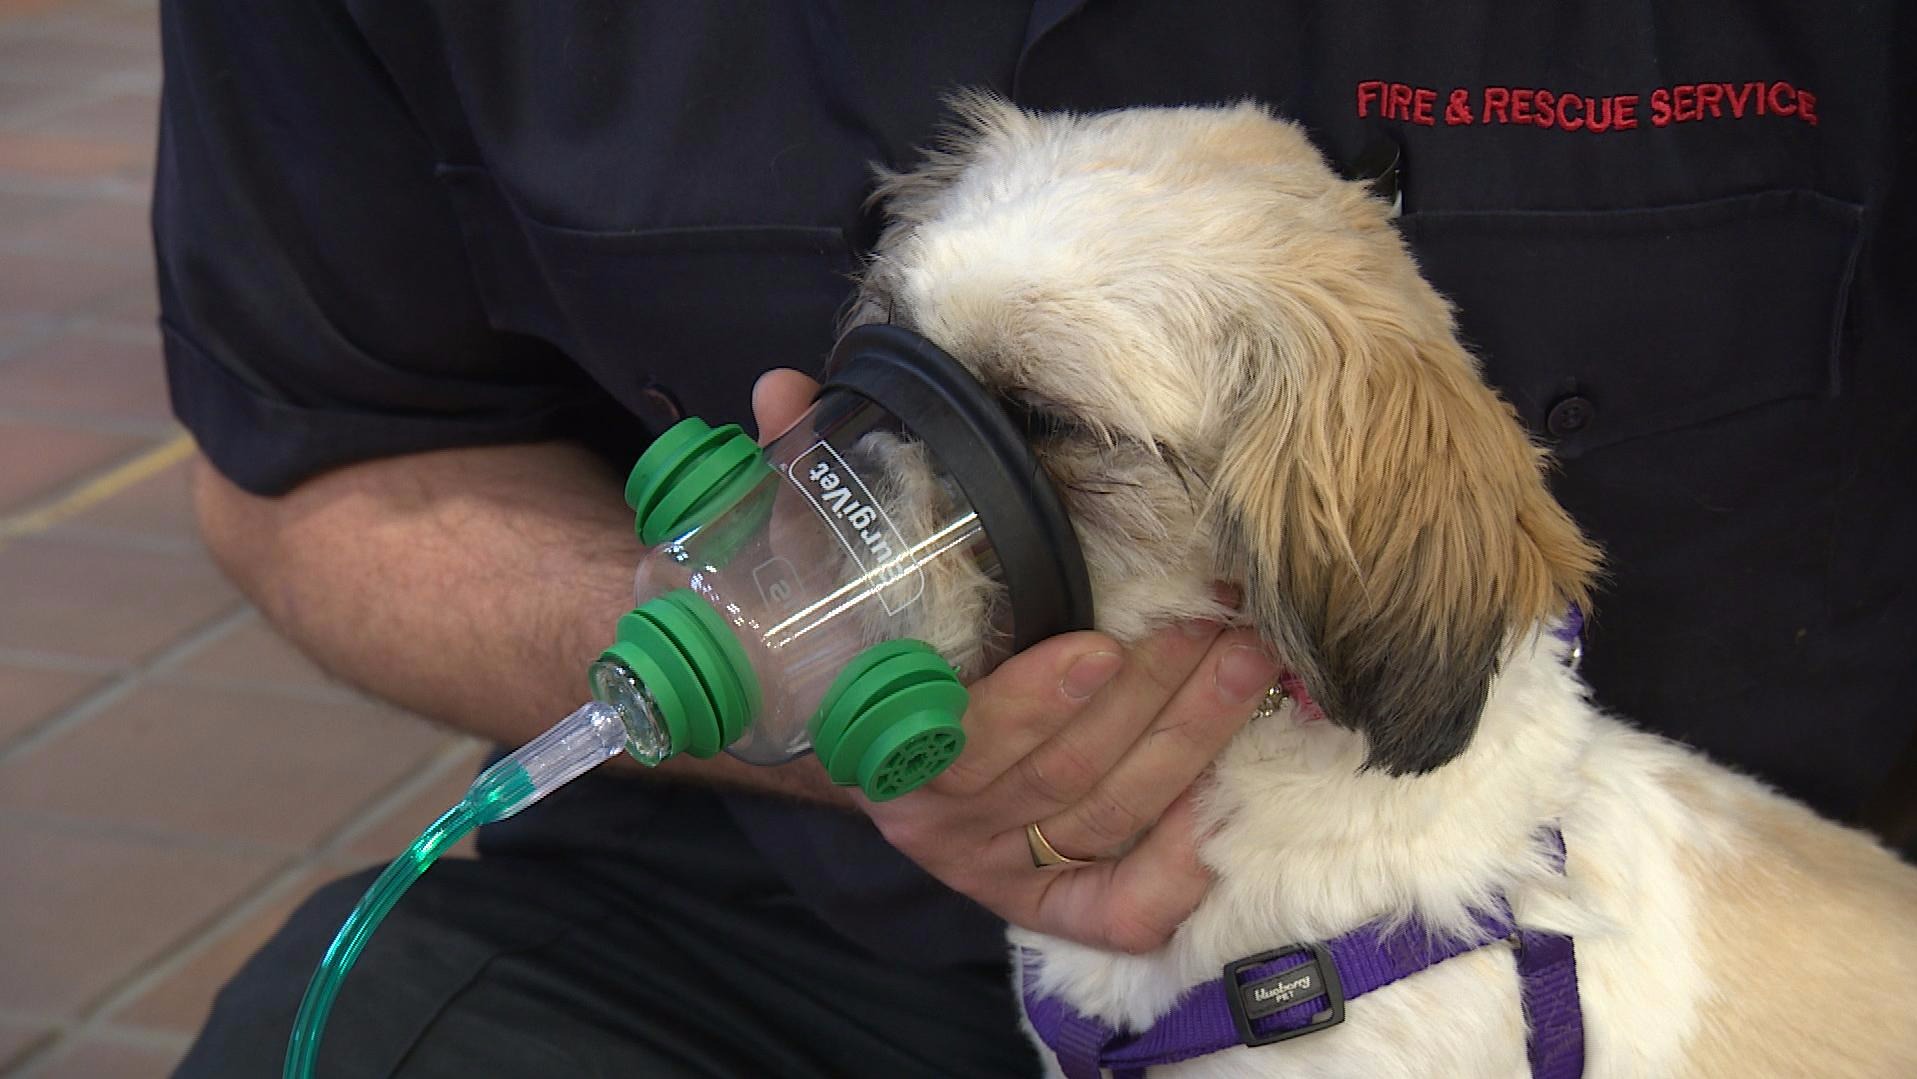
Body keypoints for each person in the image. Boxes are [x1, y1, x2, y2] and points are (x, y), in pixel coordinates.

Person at [158, 2, 1913, 1075]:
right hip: (752, 913)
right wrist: (777, 685)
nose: (870, 483)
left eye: (1043, 430)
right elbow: (325, 466)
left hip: (1572, 916)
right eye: (893, 365)